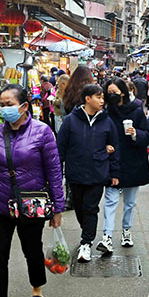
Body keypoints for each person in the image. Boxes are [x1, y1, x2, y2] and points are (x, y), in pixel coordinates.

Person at [0, 84, 65, 297]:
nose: (4, 109)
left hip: (31, 205)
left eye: (9, 104)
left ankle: (37, 290)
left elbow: (54, 172)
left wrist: (58, 208)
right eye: (2, 105)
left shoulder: (43, 132)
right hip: (0, 205)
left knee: (32, 251)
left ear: (24, 106)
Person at [56, 84, 120, 263]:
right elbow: (60, 148)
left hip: (98, 173)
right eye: (98, 97)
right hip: (75, 173)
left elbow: (115, 148)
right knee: (79, 207)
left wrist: (115, 173)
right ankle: (87, 232)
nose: (102, 101)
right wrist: (55, 173)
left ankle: (86, 243)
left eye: (102, 97)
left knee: (91, 208)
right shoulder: (70, 121)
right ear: (87, 99)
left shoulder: (107, 122)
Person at [98, 78, 149, 253]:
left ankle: (126, 231)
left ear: (123, 92)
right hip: (112, 161)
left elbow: (147, 135)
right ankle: (107, 236)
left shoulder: (136, 110)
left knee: (129, 202)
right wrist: (104, 145)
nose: (111, 96)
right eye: (109, 93)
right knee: (110, 200)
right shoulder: (105, 112)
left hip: (132, 161)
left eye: (115, 92)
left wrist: (135, 134)